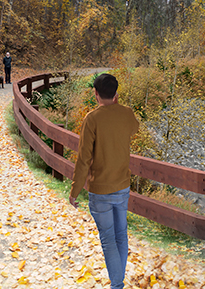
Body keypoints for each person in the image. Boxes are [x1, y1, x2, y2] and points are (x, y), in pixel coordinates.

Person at [69, 73, 139, 289]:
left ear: (96, 94)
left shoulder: (92, 118)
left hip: (100, 191)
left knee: (109, 240)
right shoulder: (127, 114)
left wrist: (74, 191)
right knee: (121, 235)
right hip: (122, 186)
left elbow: (83, 160)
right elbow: (134, 129)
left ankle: (117, 285)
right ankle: (118, 282)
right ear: (116, 93)